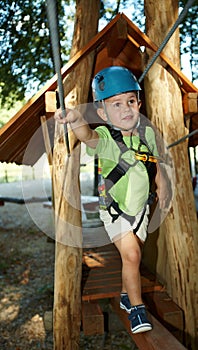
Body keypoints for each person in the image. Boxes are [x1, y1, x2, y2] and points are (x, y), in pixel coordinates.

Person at [54, 66, 168, 334]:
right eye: (116, 104)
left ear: (139, 103)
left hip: (140, 210)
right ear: (103, 113)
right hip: (116, 211)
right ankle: (137, 311)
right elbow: (87, 136)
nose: (125, 109)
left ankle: (126, 294)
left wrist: (161, 185)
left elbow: (155, 164)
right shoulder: (105, 138)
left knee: (132, 258)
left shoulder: (147, 134)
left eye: (130, 101)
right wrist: (75, 119)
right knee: (132, 254)